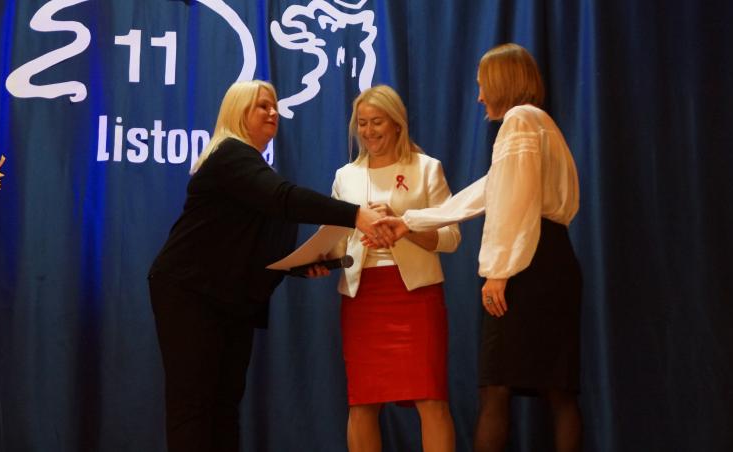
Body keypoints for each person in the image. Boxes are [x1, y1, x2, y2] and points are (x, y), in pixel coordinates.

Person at [147, 80, 390, 452]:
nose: (274, 112)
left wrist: (299, 264)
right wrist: (356, 214)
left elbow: (252, 244)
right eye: (263, 105)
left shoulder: (253, 167)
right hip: (191, 294)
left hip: (229, 298)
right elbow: (284, 200)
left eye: (275, 105)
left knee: (224, 406)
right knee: (193, 406)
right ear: (238, 112)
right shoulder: (230, 155)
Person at [370, 44, 583, 452]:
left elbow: (514, 203)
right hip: (554, 258)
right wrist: (409, 221)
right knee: (559, 390)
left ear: (501, 83)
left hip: (529, 261)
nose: (480, 96)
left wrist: (499, 271)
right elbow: (488, 190)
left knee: (495, 388)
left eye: (483, 86)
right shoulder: (541, 122)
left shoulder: (518, 121)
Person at [329, 85, 460, 452]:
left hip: (416, 297)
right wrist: (321, 259)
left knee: (431, 399)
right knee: (362, 402)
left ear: (397, 124)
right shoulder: (345, 176)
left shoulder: (426, 168)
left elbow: (451, 237)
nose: (369, 131)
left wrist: (404, 226)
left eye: (377, 122)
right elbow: (336, 241)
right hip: (363, 299)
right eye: (362, 123)